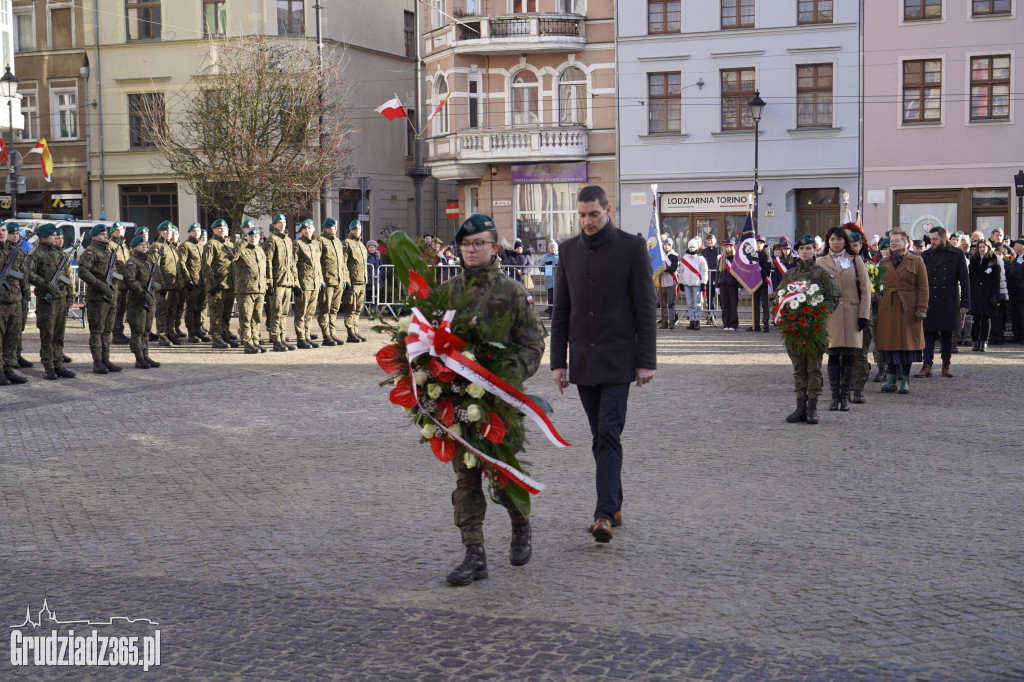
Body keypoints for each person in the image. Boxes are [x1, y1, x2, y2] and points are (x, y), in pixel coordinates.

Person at [441, 213, 546, 586]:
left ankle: (520, 524)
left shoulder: (512, 292)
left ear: (494, 247)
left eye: (479, 243)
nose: (472, 250)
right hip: (456, 402)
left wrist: (506, 376)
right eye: (466, 245)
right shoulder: (449, 292)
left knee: (502, 474)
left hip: (499, 402)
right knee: (465, 479)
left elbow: (534, 344)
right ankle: (474, 554)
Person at [550, 185, 657, 544]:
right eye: (581, 215)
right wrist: (557, 363)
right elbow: (561, 311)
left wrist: (646, 361)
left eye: (593, 214)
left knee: (609, 432)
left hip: (619, 359)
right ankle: (616, 503)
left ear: (607, 209)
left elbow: (645, 308)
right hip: (582, 359)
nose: (587, 221)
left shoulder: (631, 247)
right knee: (600, 436)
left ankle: (603, 515)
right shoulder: (567, 250)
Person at [778, 234, 840, 424]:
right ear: (797, 251)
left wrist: (821, 312)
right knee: (798, 369)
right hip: (794, 330)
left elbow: (834, 297)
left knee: (813, 369)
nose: (805, 252)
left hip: (814, 330)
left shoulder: (822, 274)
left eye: (809, 249)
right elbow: (778, 297)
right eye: (802, 249)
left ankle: (812, 408)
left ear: (815, 250)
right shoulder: (790, 275)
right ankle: (800, 408)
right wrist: (784, 312)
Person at [816, 227, 870, 411]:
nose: (836, 242)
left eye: (839, 239)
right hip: (830, 315)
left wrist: (864, 314)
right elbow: (815, 289)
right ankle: (834, 397)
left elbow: (866, 289)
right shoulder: (820, 261)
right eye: (832, 239)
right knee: (832, 355)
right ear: (827, 242)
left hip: (852, 314)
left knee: (848, 356)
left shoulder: (855, 260)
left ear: (845, 241)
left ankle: (846, 396)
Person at [876, 228, 929, 395]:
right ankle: (891, 379)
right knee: (888, 345)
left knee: (907, 345)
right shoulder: (884, 262)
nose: (893, 242)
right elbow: (877, 287)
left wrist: (921, 308)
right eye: (891, 240)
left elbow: (923, 287)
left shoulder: (916, 260)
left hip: (909, 307)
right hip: (888, 308)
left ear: (906, 243)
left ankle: (905, 380)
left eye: (897, 240)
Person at [916, 226, 970, 378]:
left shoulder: (957, 254)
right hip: (930, 300)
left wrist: (965, 303)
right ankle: (927, 365)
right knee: (928, 334)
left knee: (947, 334)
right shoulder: (926, 255)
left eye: (935, 239)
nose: (932, 242)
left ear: (943, 238)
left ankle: (946, 365)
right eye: (931, 239)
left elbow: (964, 281)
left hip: (949, 299)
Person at [25, 224, 75, 380]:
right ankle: (49, 367)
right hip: (46, 301)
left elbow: (67, 278)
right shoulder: (36, 254)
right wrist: (46, 284)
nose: (56, 237)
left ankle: (59, 364)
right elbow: (28, 274)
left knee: (59, 336)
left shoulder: (58, 254)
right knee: (48, 335)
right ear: (44, 237)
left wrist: (69, 296)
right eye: (53, 235)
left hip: (61, 299)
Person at [76, 224, 125, 375]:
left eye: (106, 234)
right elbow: (83, 271)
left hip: (111, 296)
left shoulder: (109, 251)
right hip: (97, 298)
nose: (105, 236)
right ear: (94, 236)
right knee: (97, 331)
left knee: (107, 330)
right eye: (103, 234)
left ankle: (106, 359)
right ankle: (97, 362)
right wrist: (99, 284)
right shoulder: (91, 251)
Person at [123, 234, 161, 369]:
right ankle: (139, 357)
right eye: (141, 245)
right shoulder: (132, 262)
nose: (144, 247)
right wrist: (143, 293)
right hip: (137, 301)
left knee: (146, 331)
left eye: (145, 245)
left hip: (149, 300)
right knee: (138, 331)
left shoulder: (148, 262)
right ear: (134, 247)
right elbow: (130, 281)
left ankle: (145, 355)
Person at [0, 222, 30, 385]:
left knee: (12, 339)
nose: (1, 233)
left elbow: (23, 276)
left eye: (3, 230)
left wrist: (25, 298)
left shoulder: (16, 252)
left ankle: (9, 369)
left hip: (15, 302)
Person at [263, 214, 299, 352]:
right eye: (279, 222)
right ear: (274, 225)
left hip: (287, 281)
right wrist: (269, 282)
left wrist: (295, 281)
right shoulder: (272, 240)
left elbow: (292, 263)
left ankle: (282, 338)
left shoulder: (289, 240)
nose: (282, 224)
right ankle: (276, 339)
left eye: (283, 222)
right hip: (277, 282)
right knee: (275, 312)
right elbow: (268, 262)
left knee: (284, 312)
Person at [233, 224, 269, 354]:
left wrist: (267, 284)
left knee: (257, 318)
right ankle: (247, 343)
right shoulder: (242, 249)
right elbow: (233, 256)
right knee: (246, 318)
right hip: (246, 289)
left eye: (256, 236)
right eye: (251, 236)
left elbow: (264, 269)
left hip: (259, 289)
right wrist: (242, 241)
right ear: (247, 237)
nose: (253, 238)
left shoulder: (260, 250)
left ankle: (255, 341)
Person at [203, 219, 239, 348]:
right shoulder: (211, 244)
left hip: (229, 284)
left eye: (224, 228)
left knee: (226, 313)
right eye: (218, 228)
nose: (221, 230)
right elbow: (206, 265)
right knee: (216, 314)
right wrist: (212, 284)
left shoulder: (230, 245)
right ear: (213, 230)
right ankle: (216, 338)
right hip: (217, 285)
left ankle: (225, 334)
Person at [847, 232, 875, 402]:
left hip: (864, 315)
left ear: (861, 246)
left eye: (856, 245)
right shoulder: (842, 264)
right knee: (845, 353)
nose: (853, 248)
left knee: (861, 354)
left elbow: (878, 291)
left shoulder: (869, 265)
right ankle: (846, 384)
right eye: (850, 245)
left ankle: (859, 389)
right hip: (846, 314)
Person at [969, 239, 1007, 352]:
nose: (982, 249)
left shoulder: (993, 261)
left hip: (988, 294)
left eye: (984, 247)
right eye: (980, 247)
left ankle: (984, 341)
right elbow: (970, 279)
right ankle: (976, 342)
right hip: (976, 293)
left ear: (988, 248)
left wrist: (995, 296)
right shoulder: (974, 261)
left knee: (986, 318)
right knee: (976, 318)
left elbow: (997, 282)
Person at [293, 219, 323, 349]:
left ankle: (307, 335)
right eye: (304, 228)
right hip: (304, 283)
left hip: (315, 283)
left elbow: (318, 264)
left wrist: (321, 280)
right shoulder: (297, 243)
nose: (307, 230)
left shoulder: (317, 244)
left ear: (313, 229)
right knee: (301, 312)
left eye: (309, 228)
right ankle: (300, 338)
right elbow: (293, 264)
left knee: (310, 313)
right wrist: (296, 283)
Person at [7, 223, 34, 368]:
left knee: (17, 328)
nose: (15, 236)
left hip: (20, 296)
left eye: (17, 234)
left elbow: (24, 275)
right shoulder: (5, 252)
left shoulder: (20, 253)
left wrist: (26, 295)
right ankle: (8, 361)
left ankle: (17, 355)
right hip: (6, 297)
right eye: (12, 233)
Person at [317, 217, 347, 346]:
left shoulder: (337, 241)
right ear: (326, 228)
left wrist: (345, 278)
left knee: (334, 309)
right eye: (332, 227)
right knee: (325, 309)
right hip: (327, 281)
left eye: (335, 227)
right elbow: (317, 262)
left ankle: (332, 332)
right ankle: (326, 335)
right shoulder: (321, 241)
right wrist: (320, 280)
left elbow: (342, 263)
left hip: (338, 280)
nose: (334, 229)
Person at [153, 221, 183, 346]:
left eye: (170, 231)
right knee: (162, 311)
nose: (168, 233)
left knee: (172, 311)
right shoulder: (157, 246)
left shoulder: (173, 247)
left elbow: (179, 266)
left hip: (174, 285)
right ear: (160, 232)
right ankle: (162, 335)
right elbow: (155, 267)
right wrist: (161, 284)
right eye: (165, 231)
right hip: (163, 286)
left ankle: (170, 333)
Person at [179, 222, 206, 342]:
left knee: (200, 307)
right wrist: (187, 279)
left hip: (202, 281)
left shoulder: (201, 245)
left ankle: (198, 329)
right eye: (194, 230)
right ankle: (191, 332)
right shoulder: (185, 245)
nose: (196, 233)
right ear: (190, 232)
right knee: (191, 308)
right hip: (192, 283)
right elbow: (182, 263)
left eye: (198, 230)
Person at [342, 220, 368, 342]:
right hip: (352, 282)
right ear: (350, 230)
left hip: (361, 281)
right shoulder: (347, 243)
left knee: (358, 309)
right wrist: (346, 280)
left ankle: (355, 330)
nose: (357, 230)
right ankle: (350, 332)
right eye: (354, 228)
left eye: (358, 228)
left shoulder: (362, 245)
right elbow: (344, 263)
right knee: (350, 308)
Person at [678, 237, 708, 330]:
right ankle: (691, 321)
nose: (691, 248)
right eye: (690, 247)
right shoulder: (684, 258)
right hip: (687, 284)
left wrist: (703, 283)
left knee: (697, 304)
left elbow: (704, 271)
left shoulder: (701, 258)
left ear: (696, 247)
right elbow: (681, 271)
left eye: (693, 247)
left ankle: (697, 321)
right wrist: (681, 283)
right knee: (690, 303)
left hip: (697, 284)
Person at [748, 236, 772, 332]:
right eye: (757, 243)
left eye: (761, 243)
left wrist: (758, 278)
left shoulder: (767, 255)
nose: (759, 245)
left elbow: (767, 269)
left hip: (763, 283)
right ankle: (755, 325)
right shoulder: (753, 254)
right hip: (755, 283)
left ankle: (766, 325)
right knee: (755, 305)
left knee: (765, 305)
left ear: (764, 244)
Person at [716, 241, 740, 331]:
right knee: (725, 305)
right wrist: (717, 285)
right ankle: (726, 323)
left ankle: (733, 324)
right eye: (726, 247)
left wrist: (739, 287)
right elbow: (718, 273)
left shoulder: (736, 259)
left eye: (730, 247)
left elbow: (739, 274)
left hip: (733, 285)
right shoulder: (721, 259)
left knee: (733, 305)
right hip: (723, 285)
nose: (728, 249)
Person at [657, 236, 680, 329]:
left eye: (668, 245)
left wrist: (664, 269)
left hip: (670, 283)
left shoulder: (674, 256)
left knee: (670, 304)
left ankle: (671, 321)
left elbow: (673, 268)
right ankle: (664, 321)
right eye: (665, 244)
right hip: (661, 283)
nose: (666, 246)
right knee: (663, 305)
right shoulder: (660, 256)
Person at [700, 235, 721, 326]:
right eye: (708, 240)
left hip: (719, 278)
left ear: (715, 240)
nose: (710, 242)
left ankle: (725, 317)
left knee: (721, 299)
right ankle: (712, 317)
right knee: (710, 299)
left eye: (711, 240)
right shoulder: (703, 251)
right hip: (708, 278)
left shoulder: (721, 249)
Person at [1007, 238, 1024, 343]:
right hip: (1014, 293)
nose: (1014, 248)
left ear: (1022, 247)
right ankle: (1017, 335)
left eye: (1016, 246)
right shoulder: (1016, 259)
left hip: (1022, 293)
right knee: (1015, 316)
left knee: (1022, 316)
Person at [540, 241, 559, 317]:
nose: (553, 249)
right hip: (549, 281)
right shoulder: (546, 257)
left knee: (557, 298)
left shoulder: (559, 257)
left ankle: (557, 313)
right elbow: (541, 268)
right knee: (550, 298)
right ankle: (551, 314)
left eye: (554, 247)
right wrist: (546, 266)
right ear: (549, 249)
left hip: (558, 281)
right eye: (551, 247)